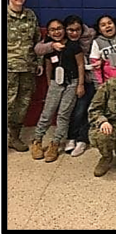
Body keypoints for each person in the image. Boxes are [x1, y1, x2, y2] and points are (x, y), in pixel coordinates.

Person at [34, 15, 96, 157]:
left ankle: (55, 144)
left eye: (59, 28)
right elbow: (48, 66)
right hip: (56, 82)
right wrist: (50, 84)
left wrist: (80, 85)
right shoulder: (49, 47)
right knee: (47, 113)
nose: (57, 32)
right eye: (52, 30)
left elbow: (80, 65)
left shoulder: (74, 45)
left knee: (64, 114)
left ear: (64, 29)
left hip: (72, 83)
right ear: (48, 33)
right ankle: (37, 140)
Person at [7, 0, 43, 152]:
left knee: (22, 105)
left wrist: (40, 62)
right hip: (9, 69)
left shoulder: (30, 15)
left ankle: (14, 137)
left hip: (28, 68)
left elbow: (38, 41)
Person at [90, 15, 116, 88]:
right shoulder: (97, 42)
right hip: (111, 83)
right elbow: (95, 67)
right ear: (99, 30)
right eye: (103, 25)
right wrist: (99, 85)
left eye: (110, 23)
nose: (107, 26)